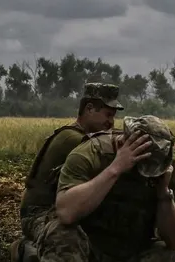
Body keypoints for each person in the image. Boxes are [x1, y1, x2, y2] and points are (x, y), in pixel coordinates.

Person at [39, 114, 175, 261]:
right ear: (122, 143)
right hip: (88, 245)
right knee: (62, 236)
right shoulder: (91, 155)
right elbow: (66, 213)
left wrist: (164, 195)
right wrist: (116, 168)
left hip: (134, 248)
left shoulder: (170, 168)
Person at [13, 82, 123, 260]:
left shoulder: (82, 137)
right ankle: (26, 250)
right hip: (39, 213)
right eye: (108, 115)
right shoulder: (75, 141)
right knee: (67, 237)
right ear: (89, 109)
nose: (111, 122)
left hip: (59, 207)